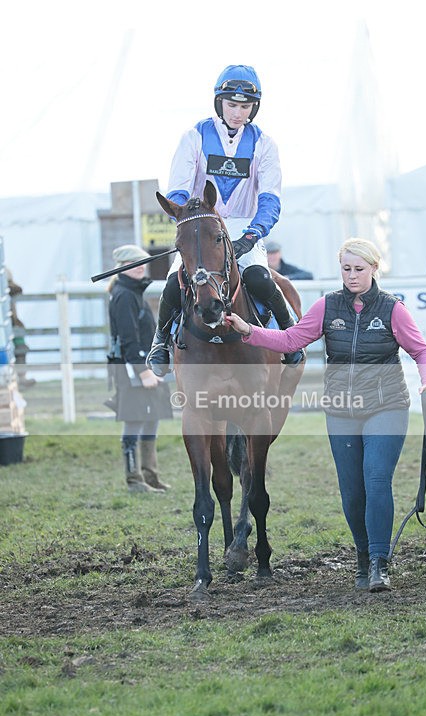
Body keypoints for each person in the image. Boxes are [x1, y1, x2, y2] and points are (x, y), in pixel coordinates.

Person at [226, 237, 426, 593]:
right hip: (341, 410)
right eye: (346, 269)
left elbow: (423, 352)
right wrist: (250, 331)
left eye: (359, 269)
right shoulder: (327, 307)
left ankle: (379, 563)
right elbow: (292, 340)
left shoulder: (392, 309)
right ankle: (361, 556)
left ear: (373, 268)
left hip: (386, 407)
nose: (352, 276)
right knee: (352, 492)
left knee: (375, 481)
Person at [146, 64, 303, 376]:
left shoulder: (265, 144)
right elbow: (178, 188)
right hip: (201, 224)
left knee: (259, 277)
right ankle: (160, 341)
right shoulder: (193, 137)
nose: (237, 113)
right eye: (232, 105)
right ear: (220, 103)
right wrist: (183, 217)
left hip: (244, 227)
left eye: (245, 107)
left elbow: (270, 198)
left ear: (253, 109)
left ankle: (290, 337)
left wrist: (253, 234)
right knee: (172, 285)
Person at [108, 245, 173, 492]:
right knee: (135, 421)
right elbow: (128, 338)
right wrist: (142, 371)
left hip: (145, 366)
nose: (141, 267)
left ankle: (149, 474)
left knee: (151, 418)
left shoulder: (132, 292)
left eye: (143, 262)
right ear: (123, 266)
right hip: (132, 369)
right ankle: (134, 479)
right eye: (135, 263)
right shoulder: (124, 294)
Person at [6, 268, 36, 388]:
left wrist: (5, 287)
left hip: (12, 323)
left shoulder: (4, 271)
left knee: (20, 347)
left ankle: (21, 377)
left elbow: (17, 289)